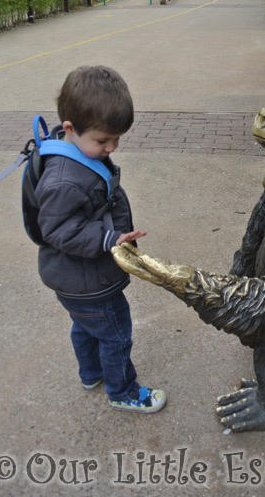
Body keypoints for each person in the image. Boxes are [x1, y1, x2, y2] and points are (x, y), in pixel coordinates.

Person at [35, 65, 166, 413]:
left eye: (116, 139)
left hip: (76, 280)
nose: (112, 147)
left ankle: (91, 373)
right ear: (70, 128)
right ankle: (122, 391)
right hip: (88, 281)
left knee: (85, 327)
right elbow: (58, 229)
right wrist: (110, 237)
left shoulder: (78, 154)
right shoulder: (64, 180)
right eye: (103, 140)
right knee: (116, 333)